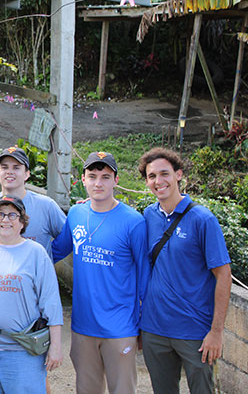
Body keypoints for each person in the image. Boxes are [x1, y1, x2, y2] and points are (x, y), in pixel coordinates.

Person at [52, 152, 149, 394]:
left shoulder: (133, 222)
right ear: (82, 180)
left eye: (105, 177)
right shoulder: (76, 214)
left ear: (116, 180)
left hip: (120, 327)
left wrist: (143, 325)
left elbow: (145, 276)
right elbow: (55, 251)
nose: (98, 183)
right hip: (83, 325)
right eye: (92, 176)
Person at [138, 148, 231, 394]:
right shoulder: (147, 216)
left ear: (178, 175)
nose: (158, 181)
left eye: (164, 174)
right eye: (151, 176)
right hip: (154, 329)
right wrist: (91, 204)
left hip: (195, 332)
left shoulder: (203, 220)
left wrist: (216, 332)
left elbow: (223, 275)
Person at [0, 195, 64, 394]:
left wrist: (56, 346)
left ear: (22, 222)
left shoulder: (36, 253)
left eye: (12, 215)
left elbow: (51, 302)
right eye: (0, 214)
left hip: (21, 352)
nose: (5, 219)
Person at [0, 147, 66, 256]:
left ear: (27, 174)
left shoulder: (46, 205)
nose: (9, 172)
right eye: (4, 167)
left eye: (16, 168)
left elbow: (67, 238)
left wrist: (47, 258)